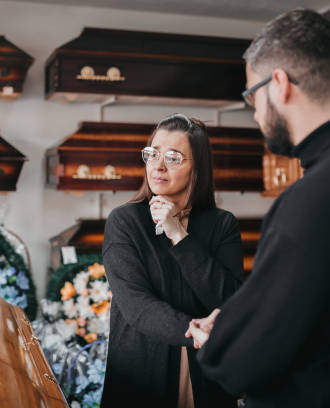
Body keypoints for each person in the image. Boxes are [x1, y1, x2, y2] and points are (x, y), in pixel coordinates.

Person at [185, 8, 330, 407]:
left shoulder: (312, 199)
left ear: (279, 85)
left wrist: (219, 339)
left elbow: (239, 364)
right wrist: (243, 318)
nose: (254, 113)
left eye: (250, 96)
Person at [100, 113, 244, 408]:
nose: (158, 165)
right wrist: (193, 331)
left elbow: (228, 298)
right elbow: (136, 305)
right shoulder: (125, 222)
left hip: (208, 376)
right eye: (152, 154)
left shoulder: (222, 225)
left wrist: (179, 235)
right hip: (142, 374)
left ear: (197, 168)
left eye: (174, 157)